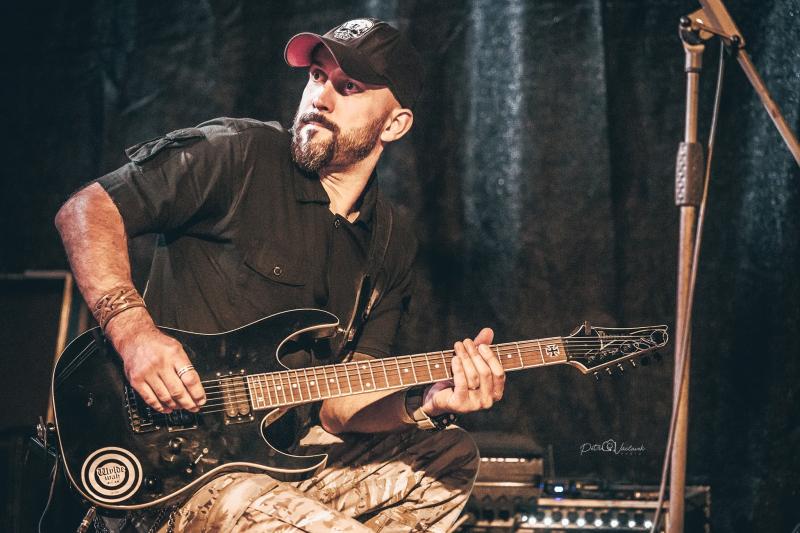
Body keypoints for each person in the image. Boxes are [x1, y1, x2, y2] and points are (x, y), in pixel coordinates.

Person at [55, 18, 506, 532]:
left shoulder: (389, 242)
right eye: (317, 76)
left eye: (348, 87)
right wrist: (134, 334)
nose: (320, 98)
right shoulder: (239, 154)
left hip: (277, 463)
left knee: (447, 454)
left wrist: (425, 402)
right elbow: (87, 210)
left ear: (395, 124)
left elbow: (339, 406)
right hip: (177, 474)